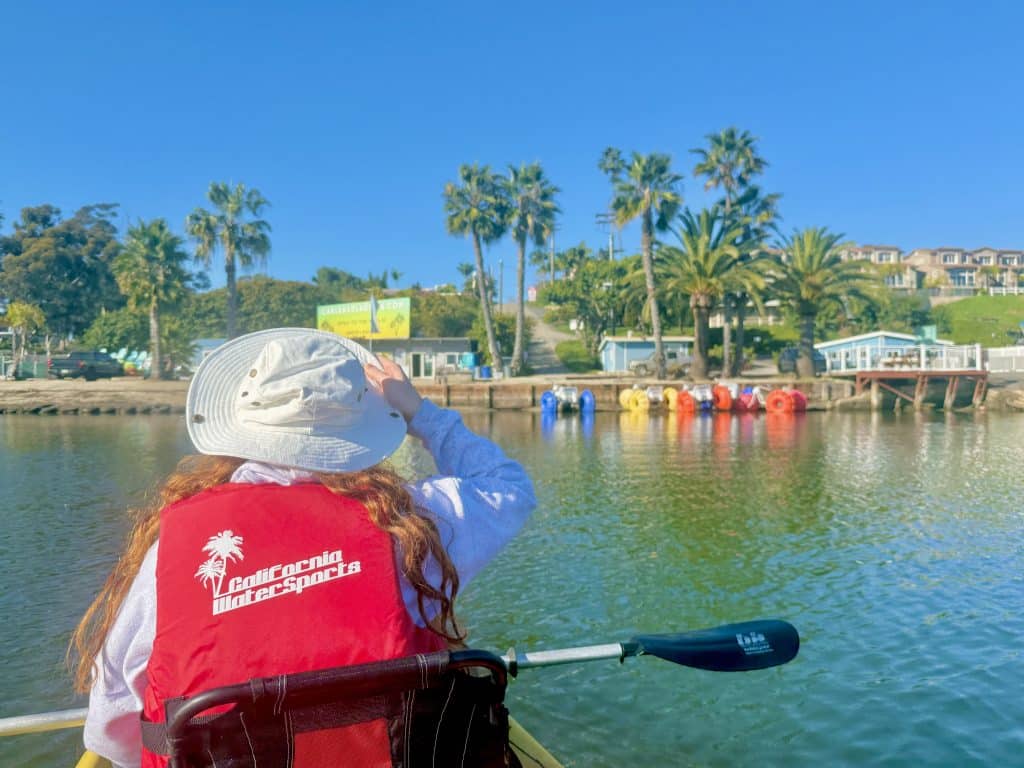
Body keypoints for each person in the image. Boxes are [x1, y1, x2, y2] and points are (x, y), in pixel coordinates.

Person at [70, 328, 536, 767]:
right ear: (364, 428)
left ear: (242, 424)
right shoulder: (413, 522)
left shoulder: (175, 550)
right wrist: (418, 412)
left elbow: (112, 721)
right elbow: (508, 488)